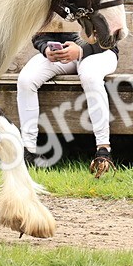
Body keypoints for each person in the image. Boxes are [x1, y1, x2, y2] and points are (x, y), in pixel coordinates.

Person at [16, 21, 119, 177]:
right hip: (64, 53)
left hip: (101, 52)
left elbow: (112, 36)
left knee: (90, 76)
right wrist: (46, 49)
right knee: (26, 80)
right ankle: (29, 152)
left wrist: (81, 50)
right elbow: (39, 33)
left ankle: (103, 150)